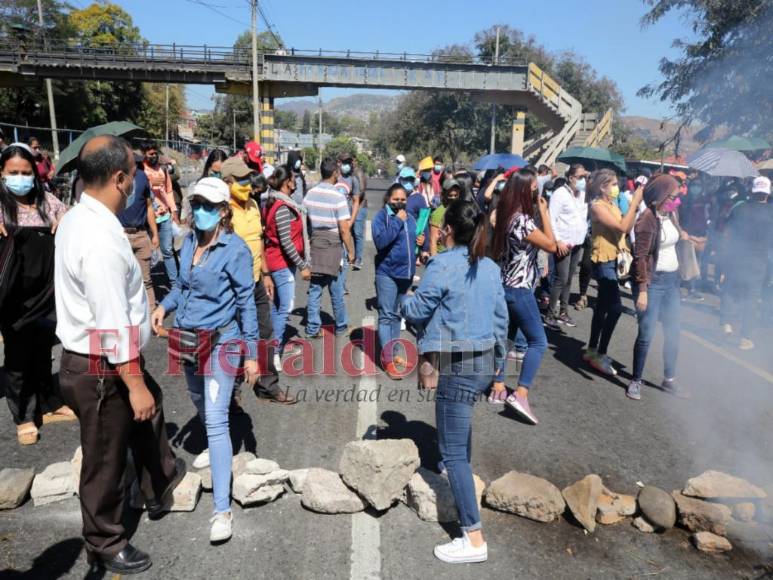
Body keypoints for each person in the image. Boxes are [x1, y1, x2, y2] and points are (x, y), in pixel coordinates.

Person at [55, 135, 184, 574]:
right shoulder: (100, 240)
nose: (137, 180)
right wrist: (131, 384)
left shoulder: (81, 217)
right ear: (120, 178)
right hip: (101, 367)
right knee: (104, 458)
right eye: (133, 172)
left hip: (107, 359)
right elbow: (110, 322)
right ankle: (105, 541)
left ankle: (158, 482)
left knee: (151, 411)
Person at [152, 177, 259, 544]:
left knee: (215, 418)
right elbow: (181, 287)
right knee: (199, 402)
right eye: (196, 203)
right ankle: (219, 449)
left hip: (223, 341)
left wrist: (252, 355)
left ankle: (222, 511)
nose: (200, 211)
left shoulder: (236, 250)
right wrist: (162, 307)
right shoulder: (188, 242)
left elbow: (246, 303)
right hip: (187, 339)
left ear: (224, 211)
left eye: (209, 206)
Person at [401, 201, 507, 565]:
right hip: (485, 361)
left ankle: (473, 537)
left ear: (447, 230)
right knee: (460, 437)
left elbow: (417, 311)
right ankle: (462, 486)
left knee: (453, 454)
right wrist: (500, 370)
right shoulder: (491, 267)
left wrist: (405, 299)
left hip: (458, 364)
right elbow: (501, 321)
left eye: (442, 226)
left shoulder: (442, 265)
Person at [0, 143, 74, 446]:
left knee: (43, 350)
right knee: (17, 358)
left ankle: (48, 401)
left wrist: (62, 221)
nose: (20, 177)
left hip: (47, 290)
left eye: (26, 172)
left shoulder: (46, 200)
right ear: (2, 174)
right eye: (13, 172)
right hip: (14, 295)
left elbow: (71, 218)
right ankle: (24, 416)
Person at [220, 156, 296, 405]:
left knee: (266, 332)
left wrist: (265, 274)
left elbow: (259, 241)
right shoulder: (222, 210)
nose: (246, 183)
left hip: (255, 282)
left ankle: (267, 385)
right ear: (228, 181)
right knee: (234, 339)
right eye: (241, 179)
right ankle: (230, 394)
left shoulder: (253, 204)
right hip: (231, 288)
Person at [489, 173, 557, 424]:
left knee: (506, 339)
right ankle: (521, 393)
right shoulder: (524, 222)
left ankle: (497, 386)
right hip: (520, 288)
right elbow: (551, 245)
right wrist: (545, 212)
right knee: (538, 342)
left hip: (505, 284)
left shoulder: (505, 216)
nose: (536, 194)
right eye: (533, 190)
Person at [628, 175, 689, 400]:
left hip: (672, 282)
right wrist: (643, 290)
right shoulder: (646, 220)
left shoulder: (671, 214)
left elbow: (676, 237)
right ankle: (635, 380)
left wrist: (687, 237)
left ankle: (669, 380)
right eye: (673, 197)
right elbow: (640, 257)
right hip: (654, 284)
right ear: (661, 195)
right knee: (646, 333)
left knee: (673, 332)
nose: (676, 201)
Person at [582, 170, 643, 376]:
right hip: (603, 260)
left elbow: (627, 224)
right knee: (615, 308)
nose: (617, 187)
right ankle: (600, 353)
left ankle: (591, 350)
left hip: (613, 258)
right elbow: (622, 227)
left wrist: (632, 210)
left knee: (601, 307)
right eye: (614, 184)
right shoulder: (598, 206)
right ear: (603, 187)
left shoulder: (611, 204)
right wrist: (634, 202)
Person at [719, 176, 772, 351]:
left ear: (752, 191)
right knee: (751, 298)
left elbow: (726, 234)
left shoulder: (740, 208)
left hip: (736, 257)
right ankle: (745, 338)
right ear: (768, 193)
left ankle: (726, 323)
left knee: (729, 289)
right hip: (759, 263)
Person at [303, 157, 355, 338]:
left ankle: (312, 328)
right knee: (336, 290)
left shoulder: (309, 194)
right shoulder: (338, 196)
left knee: (315, 290)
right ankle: (340, 326)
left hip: (316, 243)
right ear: (335, 173)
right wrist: (351, 251)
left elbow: (305, 222)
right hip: (334, 246)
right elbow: (344, 229)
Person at [372, 183, 419, 379]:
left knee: (397, 316)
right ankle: (388, 359)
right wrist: (398, 222)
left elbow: (410, 243)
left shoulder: (411, 217)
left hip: (405, 274)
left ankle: (394, 354)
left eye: (403, 199)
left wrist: (420, 241)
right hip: (387, 273)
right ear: (388, 199)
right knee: (386, 315)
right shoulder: (381, 218)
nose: (400, 202)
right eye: (395, 199)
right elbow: (381, 241)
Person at [264, 165, 311, 355]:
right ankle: (275, 351)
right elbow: (286, 242)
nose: (296, 182)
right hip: (281, 264)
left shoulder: (277, 201)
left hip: (279, 263)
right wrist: (303, 266)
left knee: (277, 307)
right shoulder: (282, 207)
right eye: (293, 178)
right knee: (285, 307)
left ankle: (274, 346)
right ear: (286, 183)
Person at [546, 164, 589, 328]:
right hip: (563, 242)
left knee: (569, 279)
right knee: (561, 278)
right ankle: (550, 314)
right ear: (571, 178)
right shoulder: (560, 194)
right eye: (580, 177)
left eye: (585, 177)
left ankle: (564, 312)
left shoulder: (583, 194)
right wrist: (557, 240)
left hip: (577, 242)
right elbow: (551, 219)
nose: (583, 180)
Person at [117, 154, 159, 310]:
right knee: (122, 280)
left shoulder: (142, 178)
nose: (137, 165)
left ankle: (152, 313)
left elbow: (149, 207)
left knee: (146, 279)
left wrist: (154, 233)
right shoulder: (115, 179)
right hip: (121, 235)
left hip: (141, 234)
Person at [142, 141, 178, 289]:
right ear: (144, 154)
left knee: (168, 251)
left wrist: (173, 210)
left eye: (155, 153)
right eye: (150, 154)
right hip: (147, 218)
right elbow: (136, 189)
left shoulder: (162, 168)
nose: (154, 156)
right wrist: (149, 182)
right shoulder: (140, 170)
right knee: (147, 253)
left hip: (164, 215)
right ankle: (147, 285)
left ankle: (175, 285)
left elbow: (169, 190)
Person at [338, 153, 366, 270]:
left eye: (348, 163)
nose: (347, 165)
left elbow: (357, 198)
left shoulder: (355, 177)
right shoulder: (335, 177)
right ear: (339, 163)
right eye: (344, 163)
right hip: (334, 218)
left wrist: (351, 220)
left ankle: (356, 258)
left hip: (348, 215)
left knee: (356, 235)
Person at [402, 166, 431, 260]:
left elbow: (424, 223)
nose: (407, 181)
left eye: (410, 179)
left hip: (412, 242)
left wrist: (425, 249)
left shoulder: (420, 199)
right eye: (405, 179)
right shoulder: (395, 197)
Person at [429, 178, 462, 256]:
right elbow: (433, 239)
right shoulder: (438, 213)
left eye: (455, 195)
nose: (453, 198)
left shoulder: (461, 209)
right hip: (443, 254)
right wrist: (435, 260)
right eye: (450, 195)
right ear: (444, 194)